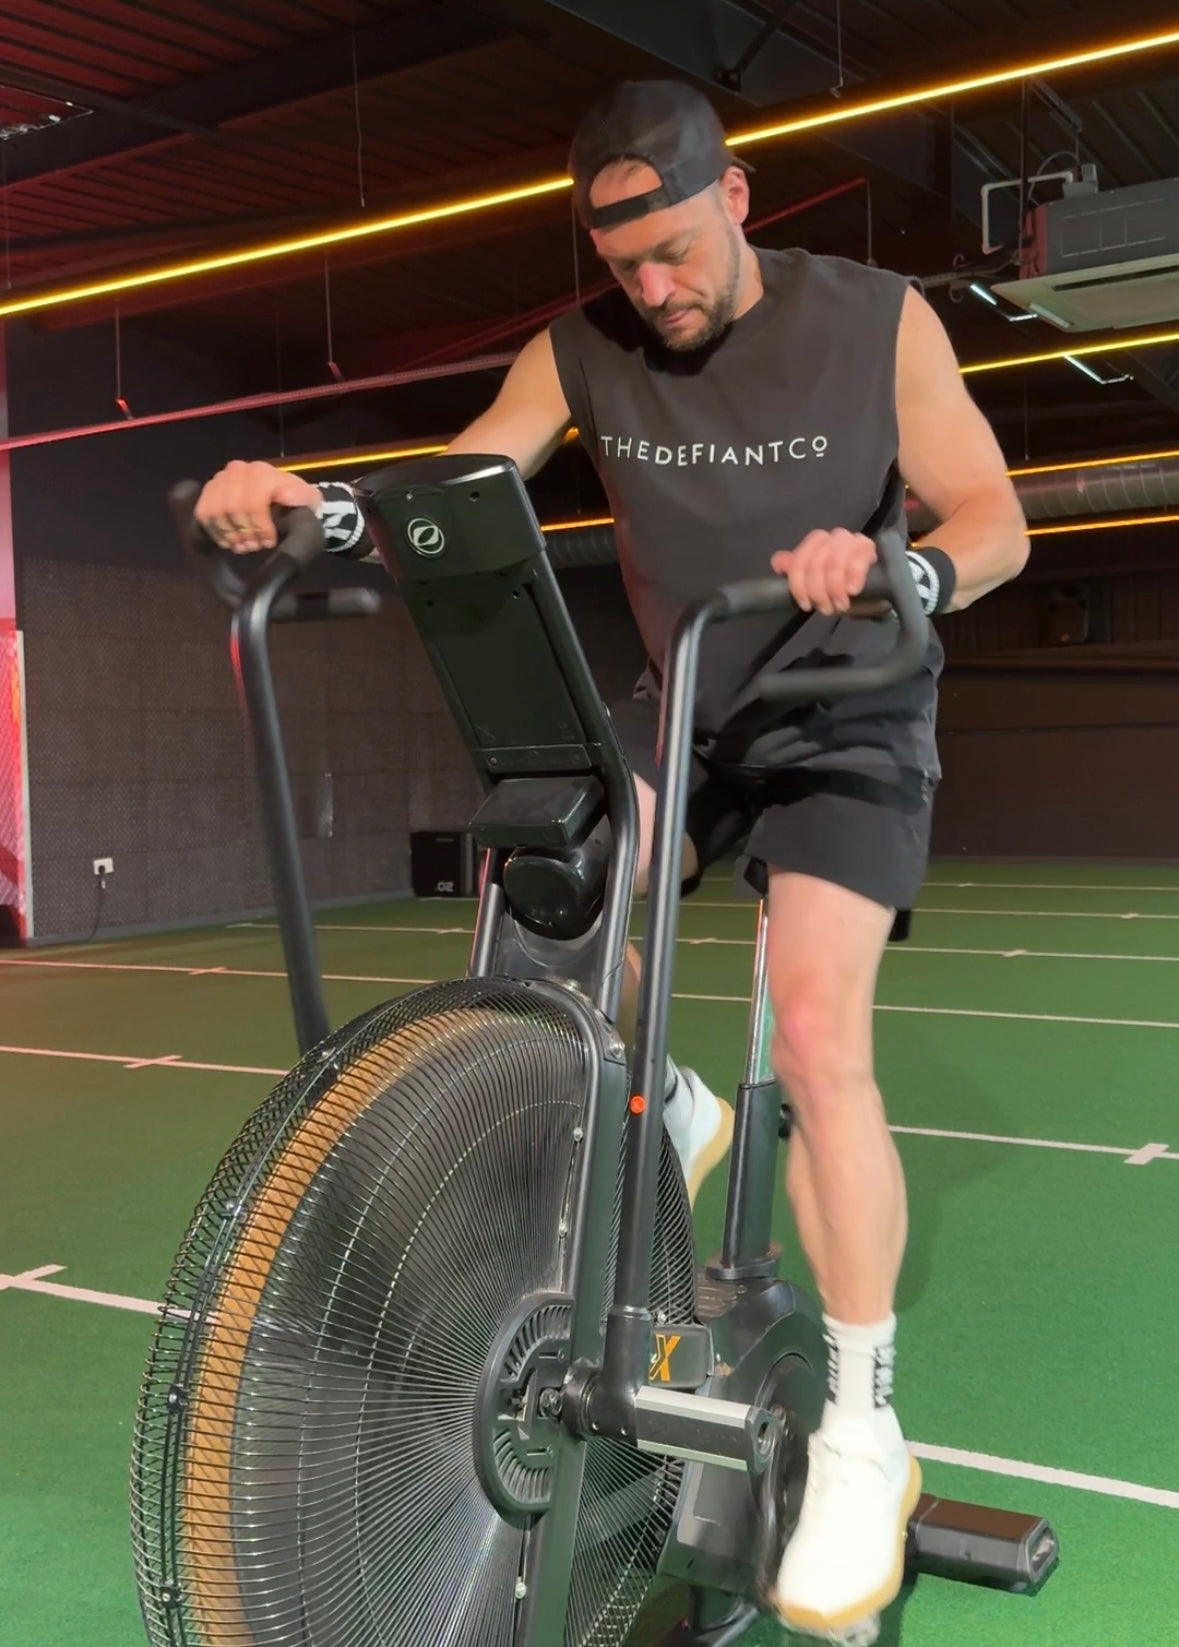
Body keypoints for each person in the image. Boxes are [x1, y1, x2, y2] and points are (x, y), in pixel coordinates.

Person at [194, 77, 1028, 1645]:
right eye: (621, 259)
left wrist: (904, 563)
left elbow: (998, 516)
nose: (652, 287)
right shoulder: (580, 350)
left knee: (822, 1021)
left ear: (741, 197)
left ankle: (860, 1425)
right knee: (551, 959)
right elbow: (464, 479)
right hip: (690, 700)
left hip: (851, 699)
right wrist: (327, 511)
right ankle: (674, 1115)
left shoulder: (878, 318)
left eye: (672, 251)